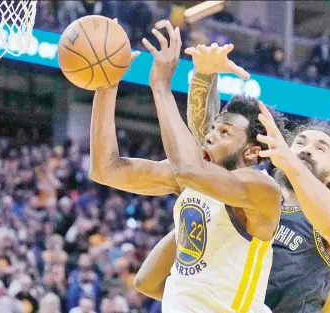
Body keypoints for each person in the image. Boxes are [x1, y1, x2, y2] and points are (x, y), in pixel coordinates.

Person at [89, 20, 286, 313]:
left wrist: (161, 86)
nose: (210, 135)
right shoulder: (195, 181)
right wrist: (107, 86)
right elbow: (105, 168)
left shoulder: (262, 190)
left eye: (224, 132)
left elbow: (188, 169)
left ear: (252, 152)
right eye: (213, 127)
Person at [183, 43, 330, 312]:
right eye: (300, 143)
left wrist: (293, 164)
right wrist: (203, 76)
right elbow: (210, 144)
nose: (307, 149)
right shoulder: (253, 191)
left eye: (320, 148)